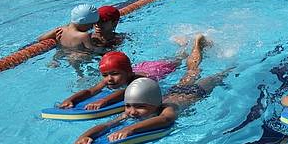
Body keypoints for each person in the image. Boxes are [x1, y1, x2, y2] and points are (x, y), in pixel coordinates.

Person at [73, 37, 233, 144]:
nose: (132, 111)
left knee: (205, 73)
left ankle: (201, 46)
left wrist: (130, 129)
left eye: (139, 107)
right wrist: (85, 136)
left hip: (195, 92)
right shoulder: (131, 111)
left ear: (154, 104)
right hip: (173, 91)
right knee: (190, 73)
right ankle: (195, 46)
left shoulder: (167, 109)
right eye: (128, 106)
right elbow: (107, 124)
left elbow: (165, 120)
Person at [60, 34, 207, 111]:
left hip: (158, 69)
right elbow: (91, 90)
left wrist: (104, 101)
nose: (109, 79)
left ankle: (195, 45)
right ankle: (183, 45)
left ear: (128, 73)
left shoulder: (136, 80)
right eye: (105, 75)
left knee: (184, 63)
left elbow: (124, 93)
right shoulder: (111, 76)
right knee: (177, 57)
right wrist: (72, 99)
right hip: (140, 66)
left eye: (114, 74)